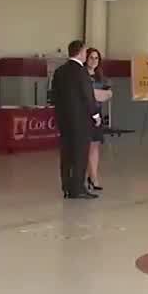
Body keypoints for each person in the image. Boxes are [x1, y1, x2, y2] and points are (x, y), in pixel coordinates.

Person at [52, 40, 100, 200]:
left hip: (64, 120)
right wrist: (95, 115)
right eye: (85, 52)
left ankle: (66, 186)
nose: (86, 55)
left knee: (66, 154)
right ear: (80, 52)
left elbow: (54, 96)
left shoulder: (59, 71)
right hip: (80, 121)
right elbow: (88, 95)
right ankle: (77, 188)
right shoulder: (81, 72)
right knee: (80, 154)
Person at [85, 48, 113, 193]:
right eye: (91, 57)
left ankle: (93, 177)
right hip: (84, 114)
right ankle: (86, 177)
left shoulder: (100, 77)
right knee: (85, 146)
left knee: (95, 146)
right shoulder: (82, 75)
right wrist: (96, 94)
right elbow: (85, 95)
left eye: (96, 58)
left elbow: (108, 94)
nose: (94, 61)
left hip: (97, 114)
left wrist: (95, 94)